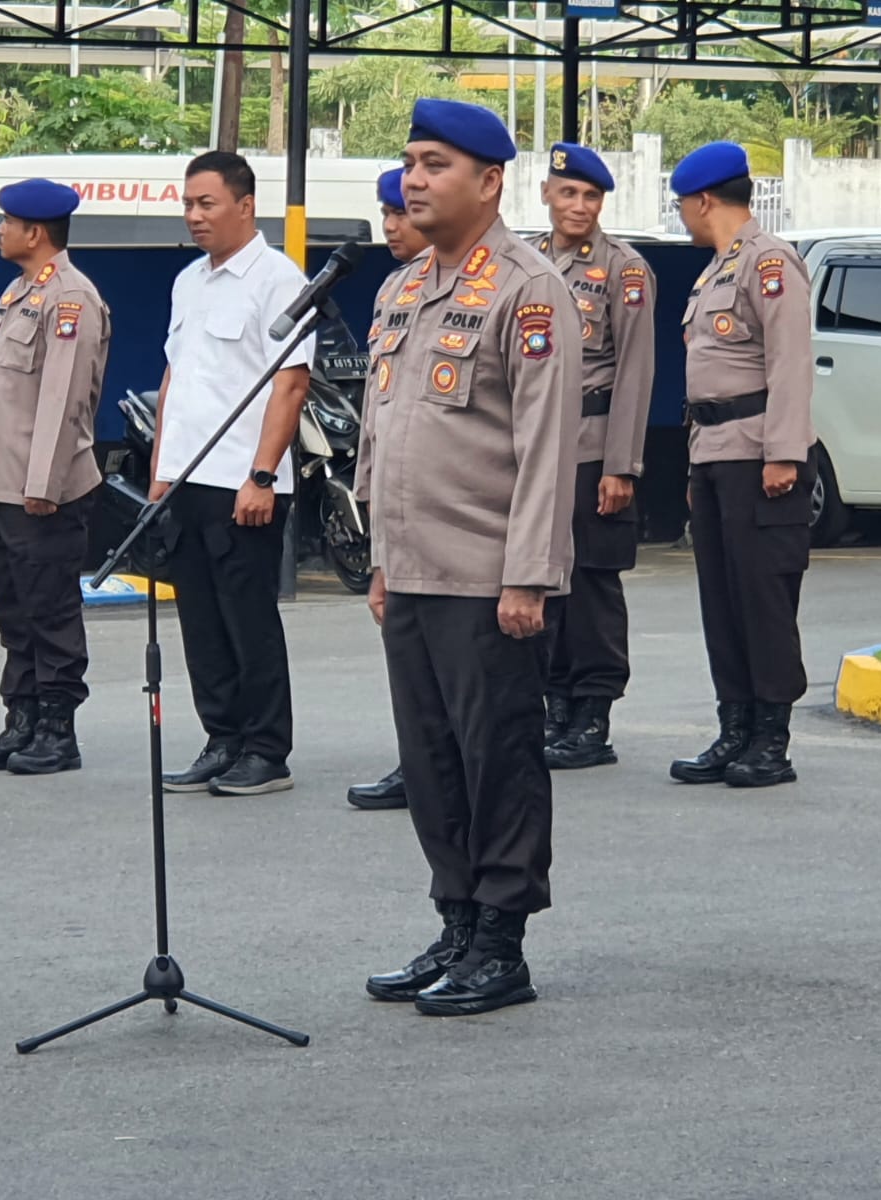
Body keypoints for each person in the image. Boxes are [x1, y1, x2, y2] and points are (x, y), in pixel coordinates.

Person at [358, 98, 579, 1017]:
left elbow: (547, 446)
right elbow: (381, 433)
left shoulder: (531, 289)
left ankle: (502, 940)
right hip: (409, 568)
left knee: (499, 758)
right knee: (432, 758)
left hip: (489, 576)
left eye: (436, 163)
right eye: (410, 160)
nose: (414, 178)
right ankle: (454, 920)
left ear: (489, 182)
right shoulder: (402, 287)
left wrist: (527, 574)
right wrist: (376, 555)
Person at [149, 151, 313, 797]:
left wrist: (262, 476)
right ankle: (222, 739)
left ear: (245, 204)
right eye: (188, 204)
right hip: (187, 478)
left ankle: (266, 751)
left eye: (206, 203)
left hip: (244, 482)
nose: (194, 216)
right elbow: (174, 379)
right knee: (201, 621)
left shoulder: (279, 278)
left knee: (248, 621)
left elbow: (290, 384)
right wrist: (162, 473)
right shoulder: (188, 280)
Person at [666, 142, 816, 790]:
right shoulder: (716, 271)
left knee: (762, 601)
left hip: (760, 455)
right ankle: (735, 728)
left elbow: (789, 362)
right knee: (722, 602)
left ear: (703, 201)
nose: (682, 217)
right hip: (716, 454)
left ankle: (771, 740)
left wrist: (784, 453)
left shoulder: (769, 262)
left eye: (682, 206)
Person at [0, 179, 111, 776]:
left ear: (35, 233)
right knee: (11, 609)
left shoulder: (70, 299)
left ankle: (57, 728)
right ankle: (20, 718)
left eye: (7, 222)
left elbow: (64, 401)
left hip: (39, 492)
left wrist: (42, 484)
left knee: (49, 609)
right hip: (0, 485)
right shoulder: (18, 294)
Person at [530, 142, 656, 770]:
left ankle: (593, 714)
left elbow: (635, 370)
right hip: (536, 448)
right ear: (546, 193)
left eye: (591, 195)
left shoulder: (623, 269)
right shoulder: (524, 261)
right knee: (540, 579)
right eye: (568, 192)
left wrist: (620, 464)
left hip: (591, 443)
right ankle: (555, 706)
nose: (578, 205)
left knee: (591, 585)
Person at [347, 166, 432, 812]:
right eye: (386, 216)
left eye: (400, 214)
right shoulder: (393, 290)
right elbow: (379, 403)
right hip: (394, 498)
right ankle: (419, 761)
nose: (392, 228)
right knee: (404, 651)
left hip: (451, 502)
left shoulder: (499, 287)